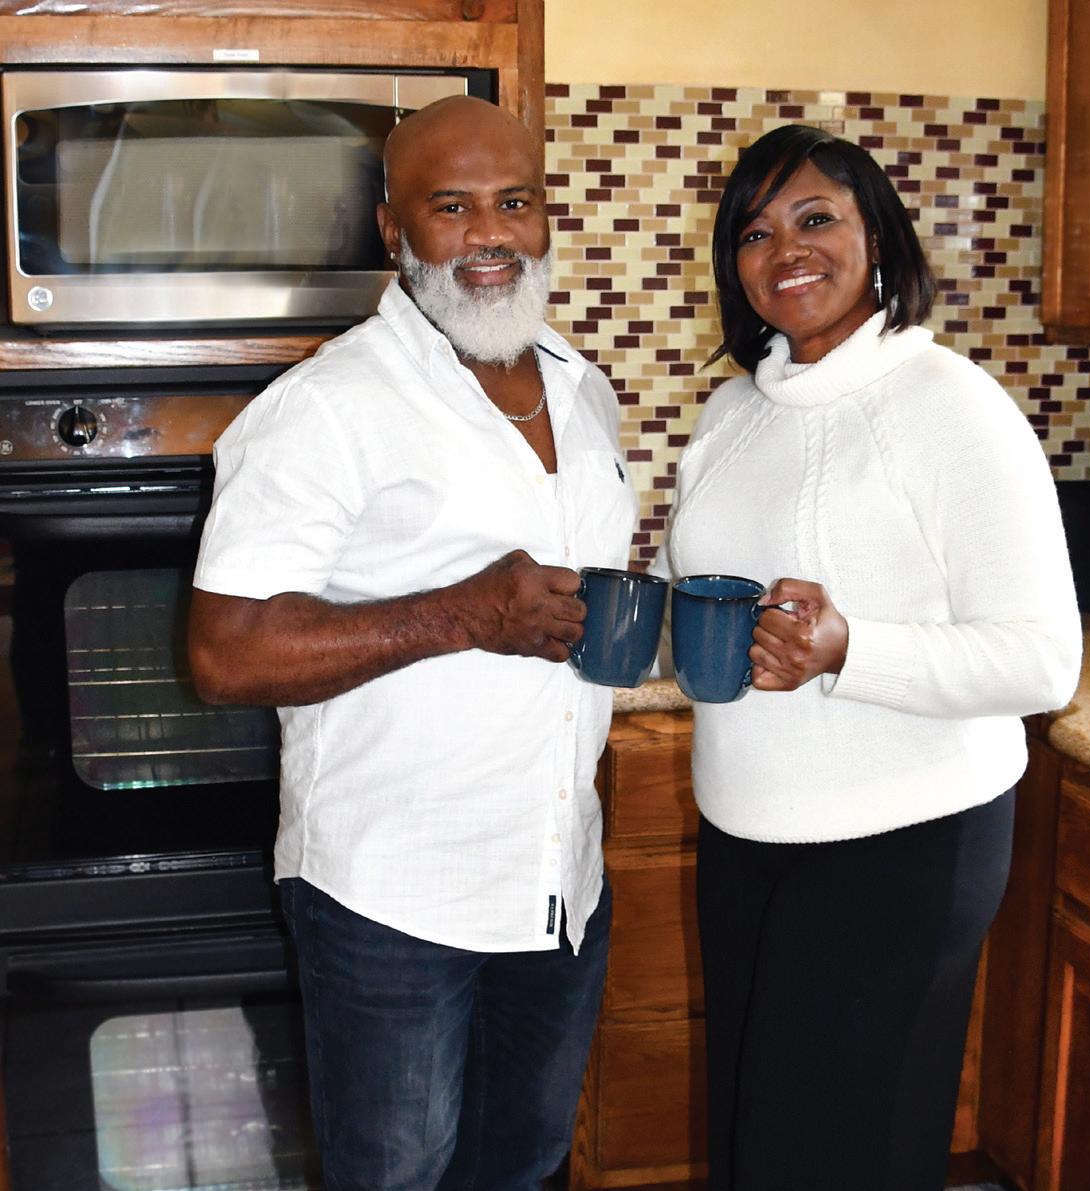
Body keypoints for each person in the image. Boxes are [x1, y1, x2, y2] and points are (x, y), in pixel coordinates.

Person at [187, 96, 636, 1191]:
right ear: (395, 230)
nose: (491, 235)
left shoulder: (583, 392)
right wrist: (461, 614)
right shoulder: (327, 405)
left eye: (514, 203)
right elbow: (225, 654)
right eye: (452, 206)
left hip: (556, 882)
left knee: (524, 1166)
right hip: (390, 899)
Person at [656, 124, 1082, 1190]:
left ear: (878, 238)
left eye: (816, 219)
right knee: (755, 1151)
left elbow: (1044, 661)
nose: (785, 250)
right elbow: (695, 600)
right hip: (745, 835)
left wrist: (851, 650)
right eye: (754, 232)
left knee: (845, 1159)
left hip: (902, 847)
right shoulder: (731, 412)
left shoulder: (949, 405)